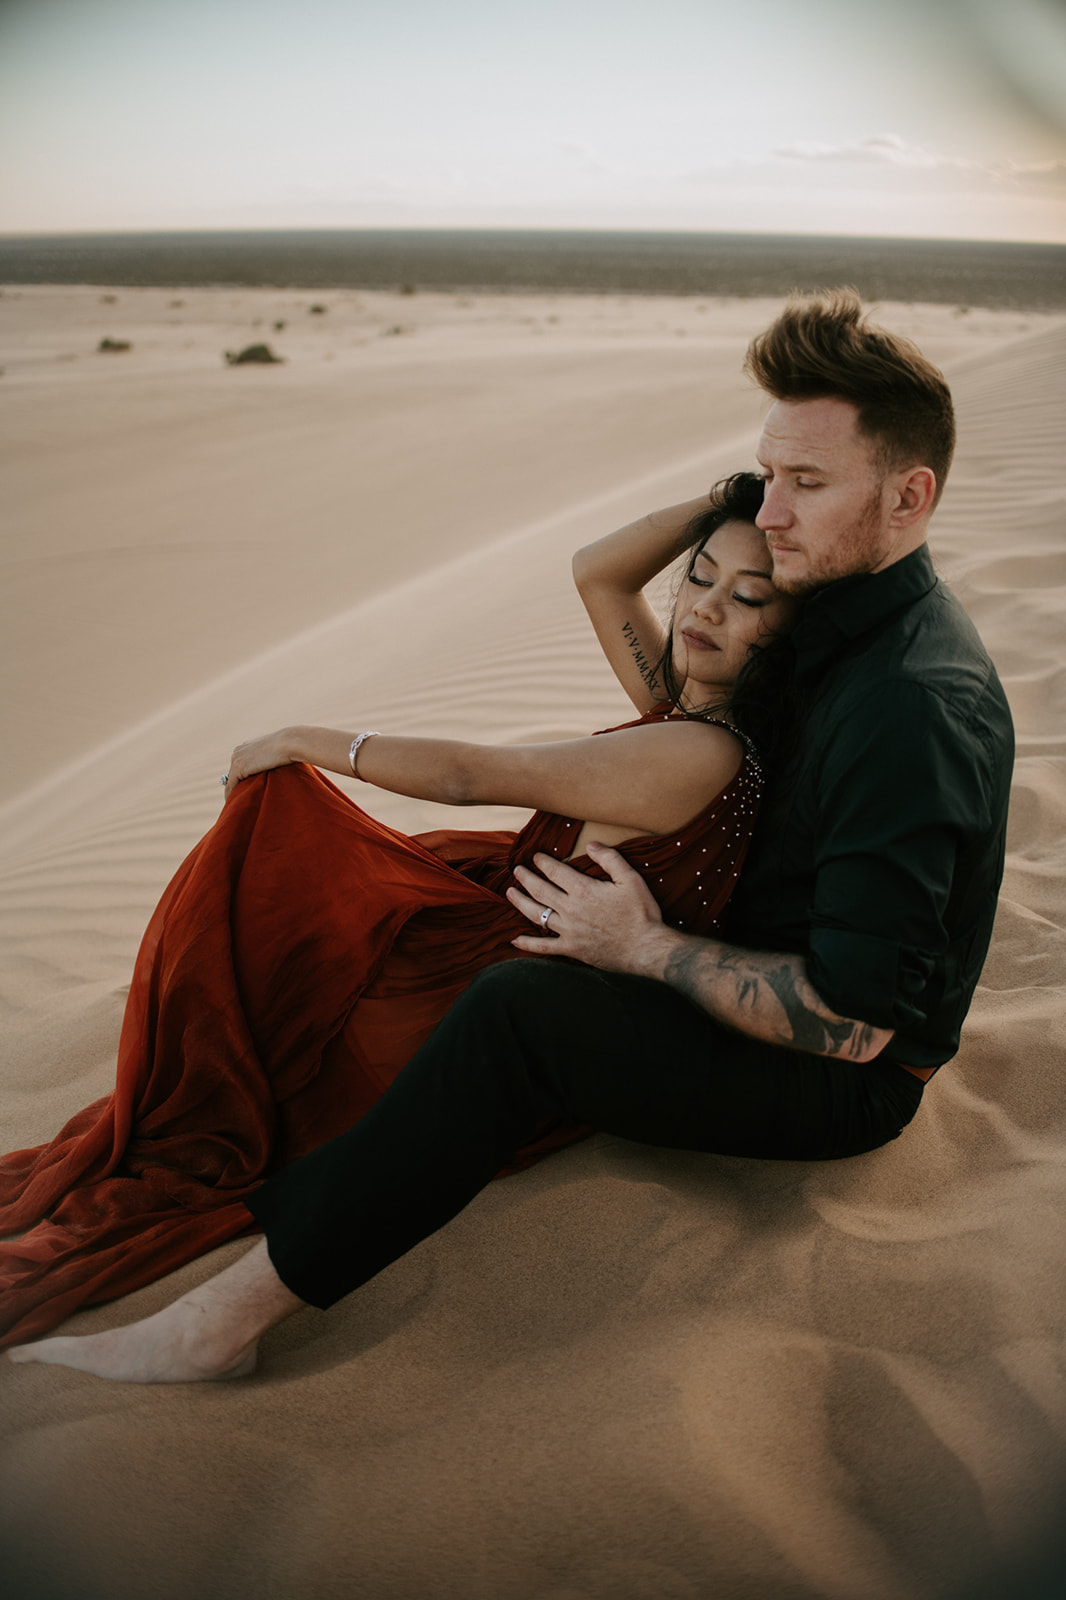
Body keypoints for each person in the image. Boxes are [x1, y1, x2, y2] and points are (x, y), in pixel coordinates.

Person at [8, 288, 1014, 1388]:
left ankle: (223, 1321)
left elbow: (860, 1029)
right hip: (738, 951)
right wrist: (738, 496)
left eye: (806, 484)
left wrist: (648, 952)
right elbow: (622, 585)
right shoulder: (822, 605)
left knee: (518, 1012)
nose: (771, 516)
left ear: (910, 497)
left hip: (834, 1082)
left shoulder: (909, 708)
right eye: (765, 474)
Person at [0, 473, 796, 1351]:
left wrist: (307, 740)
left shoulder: (696, 748)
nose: (708, 608)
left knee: (283, 841)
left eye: (749, 596)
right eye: (702, 575)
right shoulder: (684, 707)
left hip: (479, 999)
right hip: (498, 947)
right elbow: (597, 572)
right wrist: (745, 496)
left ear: (791, 630)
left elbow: (468, 775)